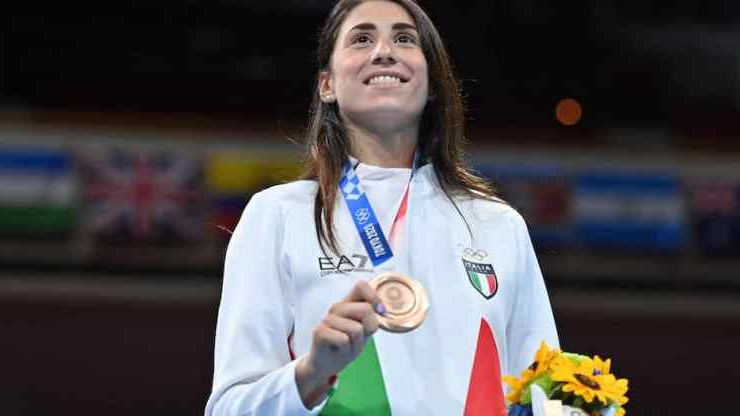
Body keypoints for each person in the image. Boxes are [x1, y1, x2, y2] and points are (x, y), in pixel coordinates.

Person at [205, 1, 559, 415]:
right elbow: (230, 408)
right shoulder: (278, 216)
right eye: (361, 39)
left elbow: (547, 395)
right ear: (327, 85)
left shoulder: (498, 225)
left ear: (431, 85)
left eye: (405, 39)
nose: (384, 51)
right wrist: (313, 372)